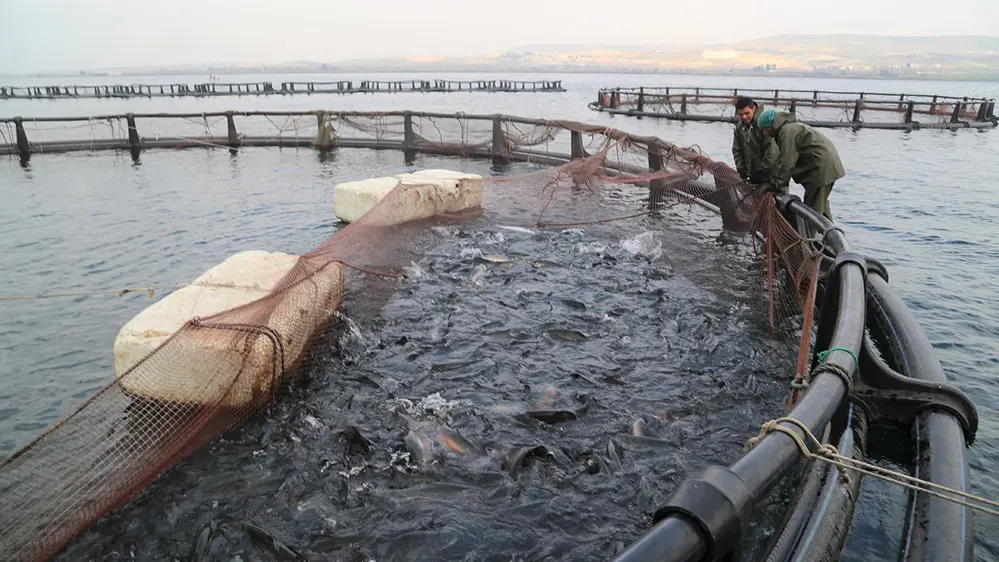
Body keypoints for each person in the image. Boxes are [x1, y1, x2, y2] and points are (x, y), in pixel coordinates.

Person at [756, 108, 844, 222]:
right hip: (827, 167)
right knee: (820, 203)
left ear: (770, 127)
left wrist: (776, 185)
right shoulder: (791, 128)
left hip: (821, 170)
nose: (764, 133)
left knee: (812, 210)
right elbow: (781, 160)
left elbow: (787, 162)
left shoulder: (786, 132)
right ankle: (830, 236)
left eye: (764, 130)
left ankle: (810, 239)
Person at [732, 96, 779, 185]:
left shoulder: (765, 124)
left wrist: (760, 171)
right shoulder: (739, 127)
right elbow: (736, 150)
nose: (744, 117)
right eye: (741, 114)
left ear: (753, 108)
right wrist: (741, 168)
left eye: (747, 113)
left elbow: (771, 152)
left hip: (772, 177)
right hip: (752, 177)